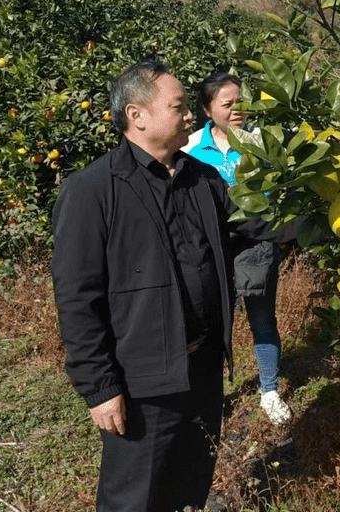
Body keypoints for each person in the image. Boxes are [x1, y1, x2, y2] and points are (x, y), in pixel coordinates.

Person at [50, 59, 279, 512]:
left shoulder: (203, 179)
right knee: (134, 496)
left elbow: (253, 224)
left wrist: (324, 212)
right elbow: (77, 297)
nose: (190, 115)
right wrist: (99, 387)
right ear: (137, 116)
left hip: (204, 366)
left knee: (189, 481)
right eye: (178, 106)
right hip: (144, 380)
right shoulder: (93, 189)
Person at [184, 70, 292, 427]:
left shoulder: (260, 141)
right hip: (212, 249)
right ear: (206, 109)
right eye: (227, 104)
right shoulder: (190, 150)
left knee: (262, 318)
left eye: (240, 102)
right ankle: (211, 392)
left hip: (256, 244)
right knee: (212, 322)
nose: (236, 110)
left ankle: (269, 391)